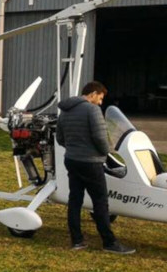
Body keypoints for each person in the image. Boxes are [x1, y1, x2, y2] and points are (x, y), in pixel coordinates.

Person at [56, 81, 135, 254]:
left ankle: (77, 241)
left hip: (71, 160)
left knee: (75, 201)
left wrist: (74, 147)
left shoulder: (65, 111)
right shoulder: (92, 110)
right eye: (100, 98)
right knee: (100, 202)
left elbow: (60, 138)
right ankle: (109, 242)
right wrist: (106, 152)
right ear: (92, 93)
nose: (100, 102)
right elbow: (100, 138)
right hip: (91, 163)